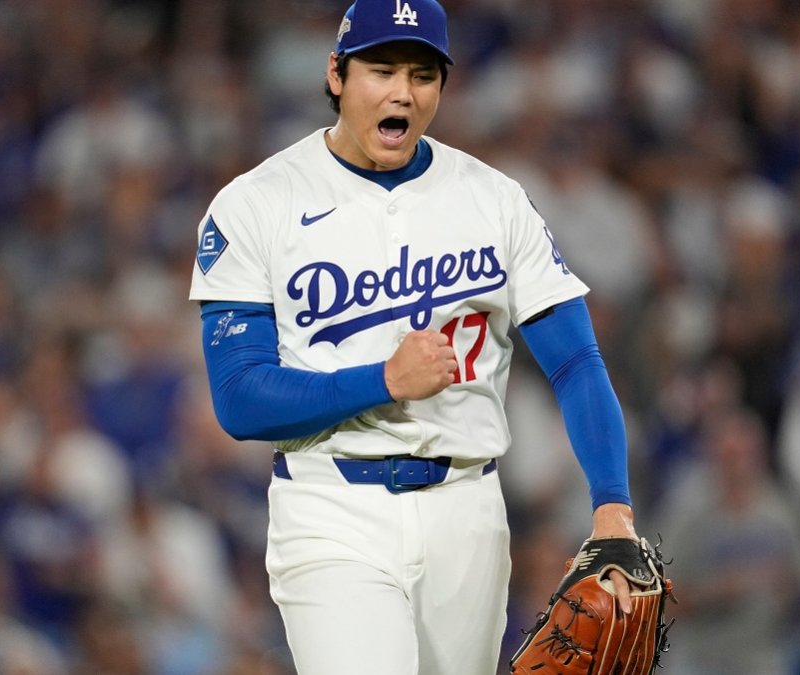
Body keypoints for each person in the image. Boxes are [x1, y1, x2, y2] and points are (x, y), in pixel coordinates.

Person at [187, 1, 639, 672]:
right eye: (382, 70)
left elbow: (575, 361)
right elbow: (239, 398)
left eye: (423, 75)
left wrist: (612, 507)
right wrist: (383, 381)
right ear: (336, 74)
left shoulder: (493, 199)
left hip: (469, 510)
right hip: (332, 506)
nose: (403, 91)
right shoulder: (257, 203)